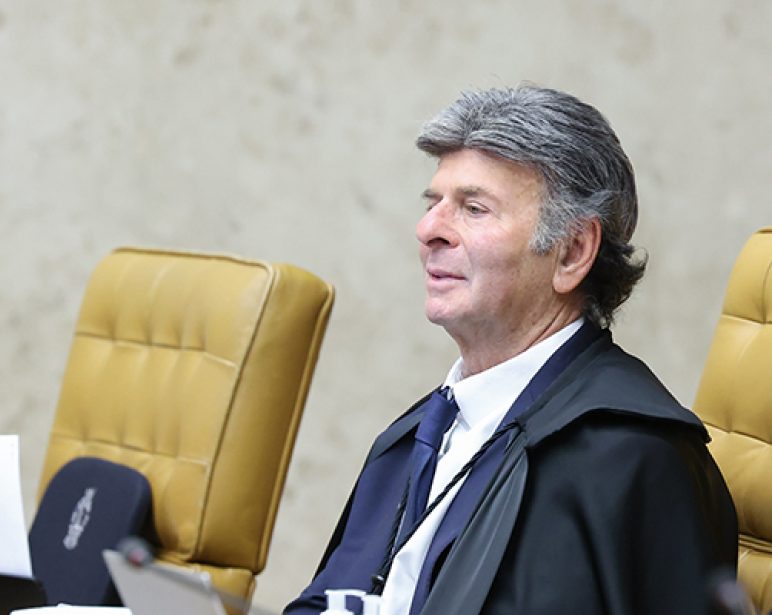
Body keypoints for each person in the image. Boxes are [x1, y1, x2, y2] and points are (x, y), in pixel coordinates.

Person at [285, 85, 738, 615]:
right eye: (433, 204)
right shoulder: (415, 437)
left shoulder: (630, 456)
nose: (429, 230)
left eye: (473, 209)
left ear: (572, 253)